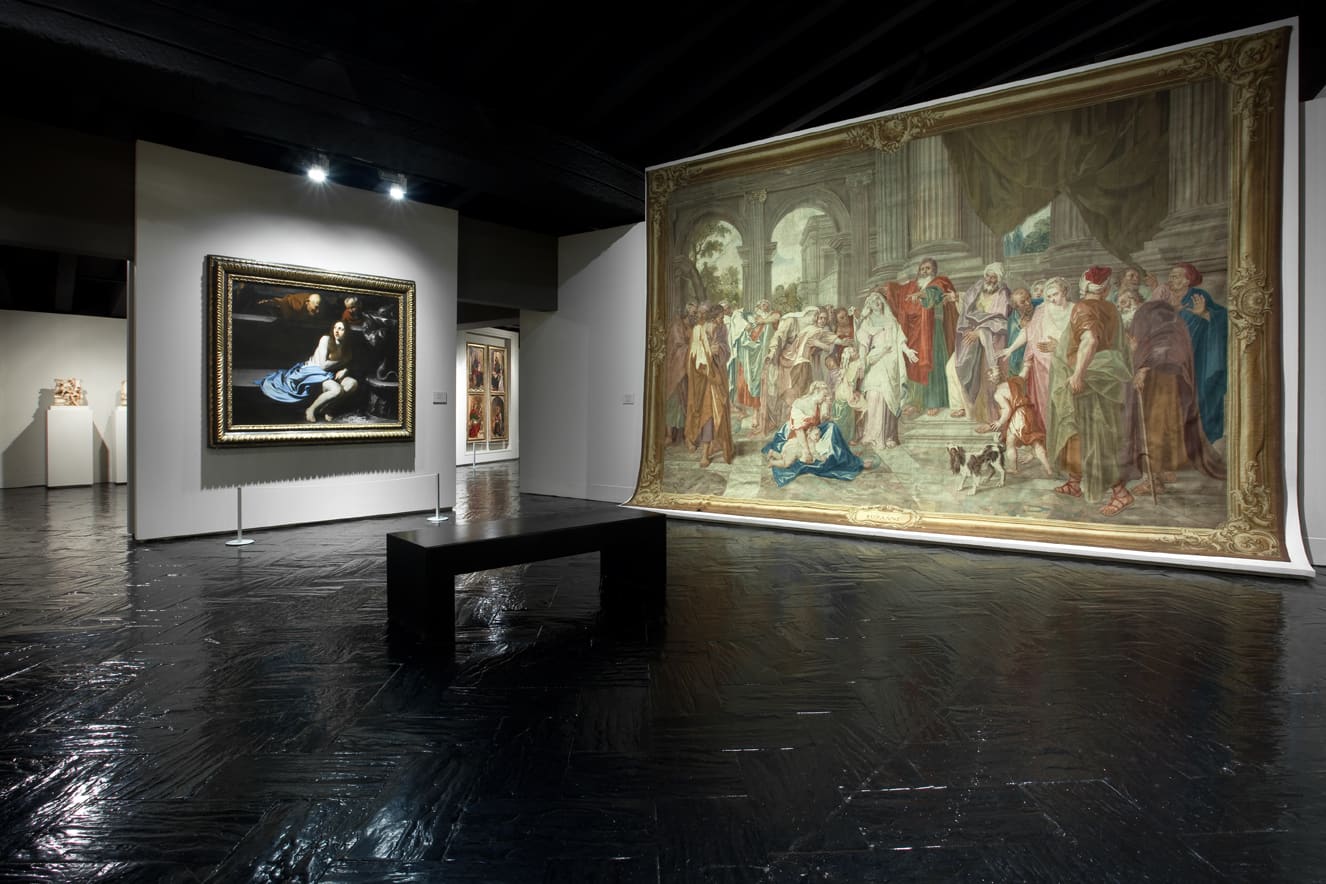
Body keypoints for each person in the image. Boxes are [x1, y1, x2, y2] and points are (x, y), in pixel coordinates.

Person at [1119, 289, 1223, 498]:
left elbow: (1164, 344)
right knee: (1165, 424)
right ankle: (1163, 471)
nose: (1121, 306)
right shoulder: (1164, 315)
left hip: (1157, 379)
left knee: (1153, 426)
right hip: (1167, 378)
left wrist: (1143, 368)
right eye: (1120, 303)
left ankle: (1153, 479)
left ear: (1136, 300)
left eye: (1125, 301)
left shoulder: (1150, 311)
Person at [1047, 266, 1134, 516]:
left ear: (1083, 286)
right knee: (1080, 432)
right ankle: (1075, 482)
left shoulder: (1083, 307)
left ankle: (1121, 493)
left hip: (1089, 379)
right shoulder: (1111, 308)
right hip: (1106, 377)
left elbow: (1090, 340)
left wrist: (1077, 374)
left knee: (1096, 436)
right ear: (1105, 289)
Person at [880, 257, 958, 416]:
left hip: (933, 330)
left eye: (927, 268)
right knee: (915, 365)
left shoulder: (939, 282)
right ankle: (916, 402)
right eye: (922, 269)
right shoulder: (912, 286)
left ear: (934, 270)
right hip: (916, 330)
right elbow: (899, 293)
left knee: (933, 364)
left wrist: (920, 294)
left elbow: (932, 294)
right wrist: (885, 289)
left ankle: (934, 401)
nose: (924, 272)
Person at [761, 381, 865, 486]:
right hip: (799, 437)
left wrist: (826, 408)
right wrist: (807, 451)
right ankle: (844, 459)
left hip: (813, 433)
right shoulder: (800, 404)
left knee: (832, 427)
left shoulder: (819, 404)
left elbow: (820, 422)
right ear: (816, 391)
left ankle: (845, 457)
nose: (825, 398)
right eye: (824, 395)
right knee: (796, 458)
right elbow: (799, 430)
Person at [1170, 263, 1228, 444]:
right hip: (1173, 359)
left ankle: (1201, 441)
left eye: (1176, 276)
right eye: (1171, 276)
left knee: (1199, 397)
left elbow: (1224, 317)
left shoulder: (1198, 296)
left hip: (1199, 358)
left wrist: (1205, 314)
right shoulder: (1166, 299)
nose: (1171, 279)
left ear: (1187, 280)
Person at [258, 320, 359, 422]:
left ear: (347, 332)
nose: (336, 331)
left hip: (331, 373)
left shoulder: (346, 347)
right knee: (337, 390)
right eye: (335, 328)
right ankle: (311, 409)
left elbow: (348, 362)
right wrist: (342, 361)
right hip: (316, 373)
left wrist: (345, 369)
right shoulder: (326, 339)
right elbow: (323, 365)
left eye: (341, 329)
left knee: (353, 383)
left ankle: (329, 408)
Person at [948, 261, 1012, 421]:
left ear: (999, 279)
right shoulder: (978, 287)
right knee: (951, 366)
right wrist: (957, 298)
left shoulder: (1003, 295)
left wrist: (979, 331)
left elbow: (1001, 321)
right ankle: (961, 406)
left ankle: (976, 411)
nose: (989, 280)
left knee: (979, 374)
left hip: (990, 339)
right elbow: (967, 305)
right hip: (972, 336)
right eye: (988, 276)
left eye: (993, 277)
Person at [855, 290, 918, 449]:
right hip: (875, 361)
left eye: (879, 299)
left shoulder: (891, 321)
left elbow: (900, 340)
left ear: (883, 302)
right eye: (873, 301)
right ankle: (870, 435)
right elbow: (863, 346)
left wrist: (908, 351)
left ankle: (888, 435)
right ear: (869, 305)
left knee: (888, 398)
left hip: (891, 362)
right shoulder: (867, 322)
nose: (877, 303)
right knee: (873, 395)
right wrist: (862, 362)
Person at [684, 303, 734, 467]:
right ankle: (705, 454)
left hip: (718, 376)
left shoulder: (722, 329)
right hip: (704, 379)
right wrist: (707, 353)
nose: (722, 320)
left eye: (723, 317)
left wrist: (719, 350)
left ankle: (717, 445)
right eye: (720, 317)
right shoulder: (699, 330)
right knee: (707, 415)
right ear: (713, 317)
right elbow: (693, 355)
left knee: (719, 412)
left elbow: (727, 350)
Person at [258, 292, 323, 320]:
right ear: (307, 302)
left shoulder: (311, 314)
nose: (318, 311)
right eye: (316, 307)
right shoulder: (297, 306)